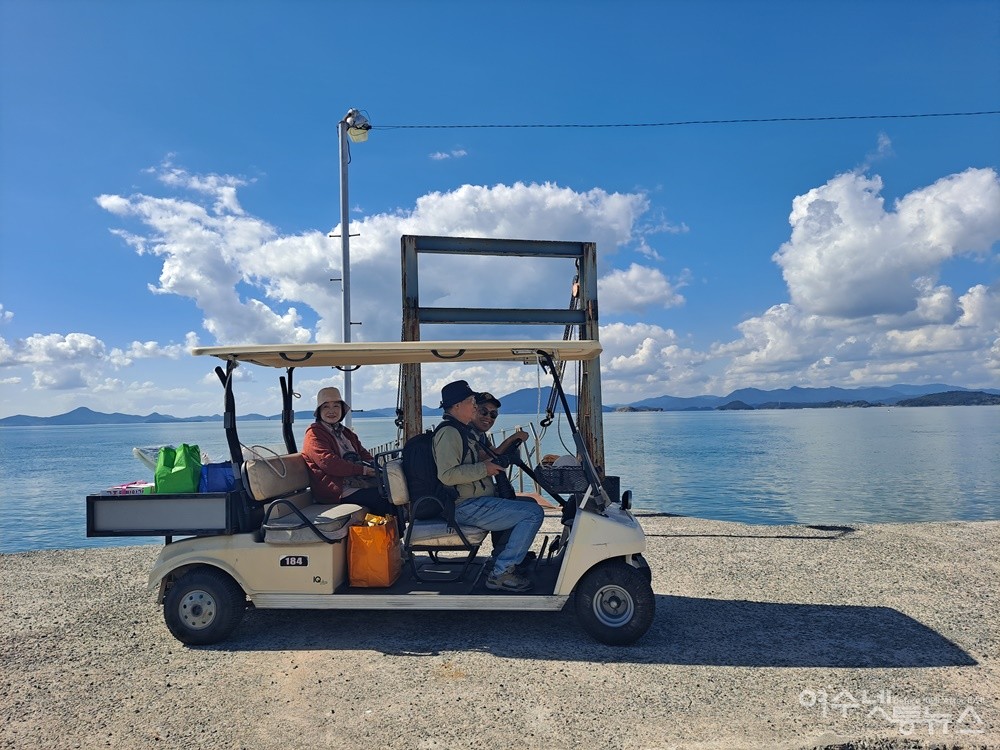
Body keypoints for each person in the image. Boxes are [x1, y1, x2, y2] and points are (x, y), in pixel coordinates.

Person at [432, 380, 543, 593]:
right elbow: (446, 475)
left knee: (524, 506)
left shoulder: (463, 431)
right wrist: (485, 469)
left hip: (477, 501)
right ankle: (501, 573)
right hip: (465, 505)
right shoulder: (449, 433)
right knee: (532, 514)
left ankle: (500, 561)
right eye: (472, 402)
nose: (475, 407)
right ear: (457, 405)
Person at [302, 386, 396, 518]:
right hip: (336, 489)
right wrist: (363, 470)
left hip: (356, 482)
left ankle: (396, 533)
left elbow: (363, 453)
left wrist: (373, 466)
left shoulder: (345, 432)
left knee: (394, 490)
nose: (331, 411)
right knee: (381, 498)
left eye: (336, 406)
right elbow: (329, 463)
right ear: (319, 412)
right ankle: (390, 535)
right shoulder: (314, 434)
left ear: (342, 410)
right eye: (326, 407)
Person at [468, 392, 535, 569]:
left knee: (523, 501)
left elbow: (494, 452)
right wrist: (512, 439)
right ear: (472, 410)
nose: (488, 417)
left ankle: (502, 553)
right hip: (467, 500)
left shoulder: (480, 435)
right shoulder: (467, 434)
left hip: (481, 493)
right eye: (484, 412)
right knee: (532, 512)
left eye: (493, 414)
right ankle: (503, 568)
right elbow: (486, 457)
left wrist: (510, 444)